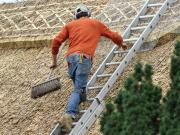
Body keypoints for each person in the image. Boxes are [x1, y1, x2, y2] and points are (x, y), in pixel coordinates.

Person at [50, 4, 127, 132]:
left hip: (70, 59)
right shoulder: (95, 24)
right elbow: (113, 35)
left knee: (79, 89)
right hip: (83, 58)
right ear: (88, 14)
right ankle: (69, 116)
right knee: (79, 90)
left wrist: (54, 61)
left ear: (76, 16)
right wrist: (121, 43)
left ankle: (77, 106)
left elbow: (56, 41)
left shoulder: (69, 25)